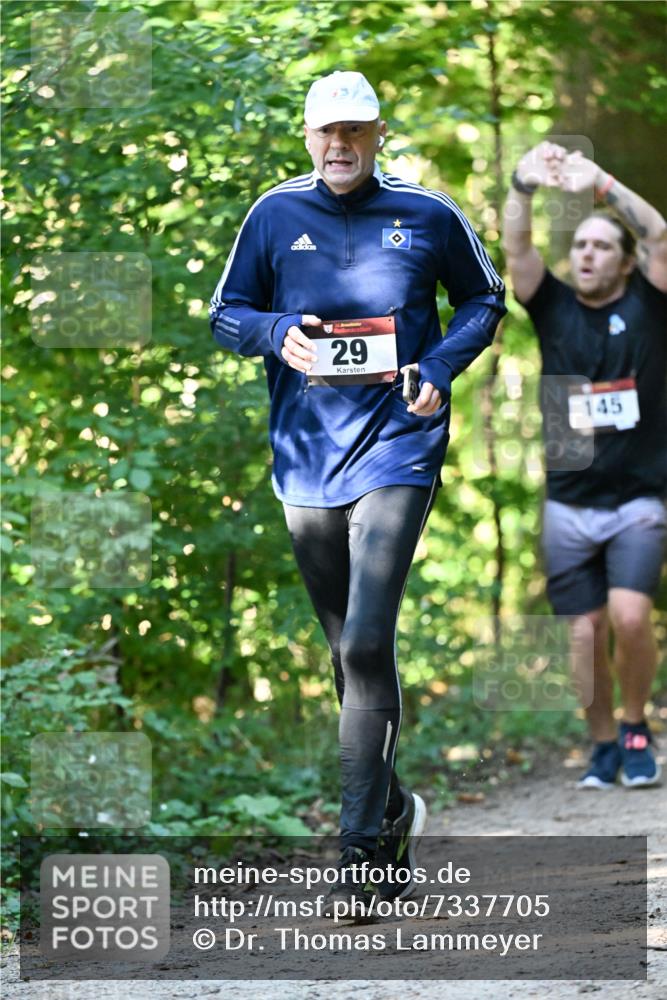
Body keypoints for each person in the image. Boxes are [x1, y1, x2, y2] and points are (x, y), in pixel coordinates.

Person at [210, 70, 505, 912]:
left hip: (398, 447)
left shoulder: (427, 214)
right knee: (347, 654)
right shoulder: (273, 215)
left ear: (379, 133)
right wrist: (276, 335)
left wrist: (440, 369)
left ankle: (356, 859)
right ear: (307, 138)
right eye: (324, 133)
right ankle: (393, 808)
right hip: (304, 458)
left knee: (368, 642)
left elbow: (484, 299)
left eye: (355, 131)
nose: (339, 146)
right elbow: (225, 313)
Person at [502, 141, 667, 790]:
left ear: (626, 265)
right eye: (580, 247)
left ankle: (633, 726)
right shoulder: (552, 307)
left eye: (602, 246)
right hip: (568, 499)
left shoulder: (649, 306)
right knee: (581, 636)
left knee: (628, 618)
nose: (587, 254)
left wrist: (598, 183)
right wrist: (521, 184)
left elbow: (657, 232)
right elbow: (515, 250)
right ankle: (599, 743)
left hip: (637, 497)